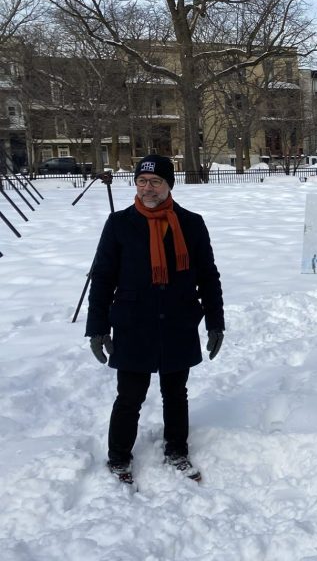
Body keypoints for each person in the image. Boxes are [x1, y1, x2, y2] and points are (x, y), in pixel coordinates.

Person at [85, 155, 225, 486]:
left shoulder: (191, 223)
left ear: (168, 185)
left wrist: (215, 321)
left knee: (176, 392)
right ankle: (119, 456)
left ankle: (177, 450)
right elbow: (103, 277)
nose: (148, 188)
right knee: (130, 395)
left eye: (155, 182)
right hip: (135, 323)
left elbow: (207, 275)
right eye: (142, 182)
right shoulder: (119, 223)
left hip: (178, 320)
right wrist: (97, 328)